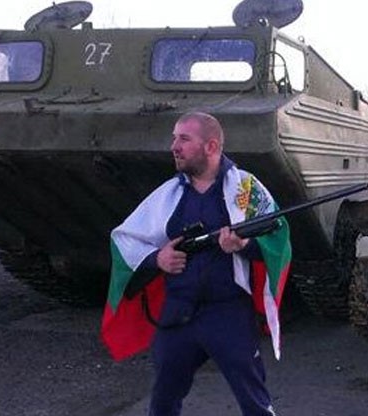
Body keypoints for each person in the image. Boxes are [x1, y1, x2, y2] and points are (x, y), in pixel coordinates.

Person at [101, 112, 292, 416]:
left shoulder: (246, 189)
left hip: (228, 313)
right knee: (162, 403)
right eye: (174, 138)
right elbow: (125, 239)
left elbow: (278, 242)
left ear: (211, 146)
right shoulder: (168, 194)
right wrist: (157, 259)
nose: (174, 147)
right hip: (178, 314)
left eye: (184, 139)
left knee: (255, 403)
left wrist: (244, 246)